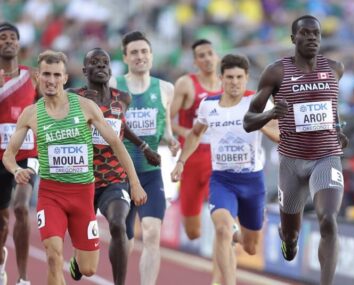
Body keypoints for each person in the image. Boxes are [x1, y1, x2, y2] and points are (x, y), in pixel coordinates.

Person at [2, 50, 147, 285]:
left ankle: (78, 263)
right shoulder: (31, 114)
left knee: (88, 269)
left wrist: (135, 183)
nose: (51, 80)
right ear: (38, 76)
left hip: (82, 194)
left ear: (65, 78)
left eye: (56, 75)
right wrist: (16, 170)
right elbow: (9, 155)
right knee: (53, 255)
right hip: (51, 195)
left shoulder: (86, 107)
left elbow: (116, 143)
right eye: (46, 74)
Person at [243, 15, 348, 285]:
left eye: (316, 34)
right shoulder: (276, 72)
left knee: (328, 220)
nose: (312, 38)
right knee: (290, 236)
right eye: (305, 33)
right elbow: (248, 121)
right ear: (293, 39)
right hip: (291, 162)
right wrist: (269, 114)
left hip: (326, 157)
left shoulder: (335, 69)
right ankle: (288, 241)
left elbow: (329, 108)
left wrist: (337, 130)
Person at [171, 54, 279, 285]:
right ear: (221, 78)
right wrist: (181, 161)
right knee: (221, 229)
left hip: (252, 181)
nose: (234, 82)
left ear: (247, 78)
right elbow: (196, 133)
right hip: (222, 180)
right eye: (229, 77)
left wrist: (259, 122)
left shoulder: (257, 102)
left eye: (240, 77)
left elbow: (279, 135)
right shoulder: (209, 105)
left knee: (250, 247)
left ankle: (238, 235)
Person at [68, 47, 159, 285]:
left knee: (118, 224)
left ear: (110, 69)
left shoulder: (122, 98)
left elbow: (120, 128)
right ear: (85, 70)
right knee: (86, 264)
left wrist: (144, 148)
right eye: (94, 63)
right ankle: (78, 257)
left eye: (104, 63)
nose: (100, 67)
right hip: (82, 179)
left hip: (114, 178)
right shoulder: (73, 96)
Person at [109, 31, 179, 285]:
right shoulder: (114, 86)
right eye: (134, 52)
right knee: (123, 237)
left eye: (144, 52)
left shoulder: (165, 88)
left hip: (150, 173)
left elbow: (165, 129)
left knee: (151, 233)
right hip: (119, 175)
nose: (140, 57)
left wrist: (171, 141)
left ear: (151, 55)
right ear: (126, 57)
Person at [170, 39, 222, 242]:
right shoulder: (186, 83)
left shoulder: (227, 84)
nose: (207, 58)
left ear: (217, 56)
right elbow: (165, 119)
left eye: (210, 53)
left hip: (218, 158)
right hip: (190, 158)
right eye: (202, 55)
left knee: (223, 217)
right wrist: (183, 132)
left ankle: (224, 258)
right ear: (194, 62)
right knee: (192, 232)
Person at [0, 22, 39, 285]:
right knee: (2, 221)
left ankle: (23, 278)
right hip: (1, 155)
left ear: (19, 43)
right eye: (3, 38)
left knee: (22, 208)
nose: (9, 41)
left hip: (27, 153)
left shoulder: (33, 76)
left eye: (13, 37)